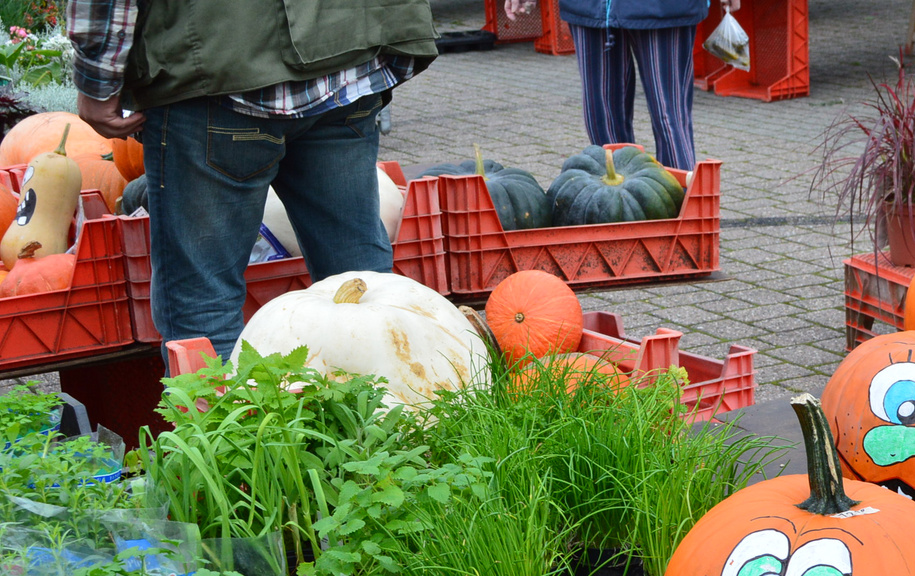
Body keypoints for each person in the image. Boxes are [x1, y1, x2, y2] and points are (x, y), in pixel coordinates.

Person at [68, 1, 438, 358]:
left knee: (203, 299)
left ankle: (224, 422)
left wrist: (98, 83)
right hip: (346, 56)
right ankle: (388, 416)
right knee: (360, 275)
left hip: (220, 76)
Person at [506, 0, 730, 170]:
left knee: (670, 119)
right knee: (601, 119)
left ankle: (684, 218)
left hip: (664, 7)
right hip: (590, 7)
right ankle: (620, 216)